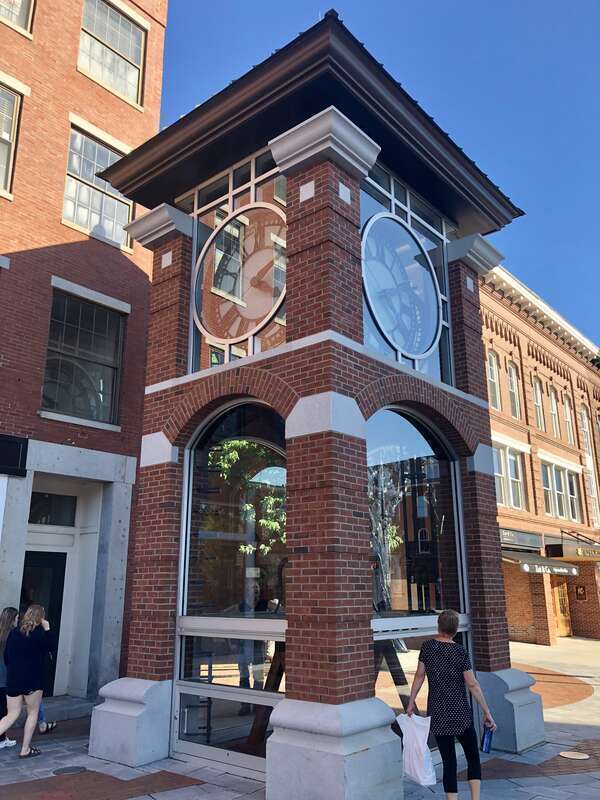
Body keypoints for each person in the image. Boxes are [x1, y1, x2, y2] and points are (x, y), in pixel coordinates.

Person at [407, 609, 496, 800]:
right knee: (472, 756)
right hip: (461, 713)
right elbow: (472, 684)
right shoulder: (459, 651)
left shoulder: (428, 647)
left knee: (449, 761)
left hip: (438, 712)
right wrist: (486, 711)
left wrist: (411, 701)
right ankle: (475, 798)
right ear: (455, 629)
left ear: (438, 625)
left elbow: (419, 676)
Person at [0, 604, 56, 758]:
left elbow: (6, 657)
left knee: (11, 714)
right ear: (41, 617)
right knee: (32, 713)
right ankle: (25, 749)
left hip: (13, 680)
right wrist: (48, 628)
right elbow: (51, 647)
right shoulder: (39, 634)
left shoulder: (13, 633)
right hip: (33, 680)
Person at [0, 607, 19, 750]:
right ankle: (1, 738)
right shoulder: (12, 635)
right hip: (5, 676)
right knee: (4, 710)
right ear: (12, 619)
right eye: (17, 618)